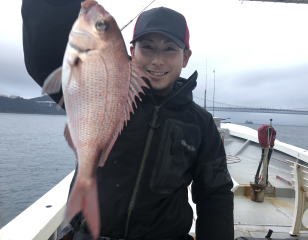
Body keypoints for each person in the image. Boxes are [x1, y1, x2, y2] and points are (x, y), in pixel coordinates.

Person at [22, 1, 234, 239]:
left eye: (169, 49)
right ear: (132, 51)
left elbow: (215, 194)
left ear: (185, 57)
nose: (157, 60)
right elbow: (42, 60)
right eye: (147, 47)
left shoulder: (201, 123)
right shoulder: (98, 87)